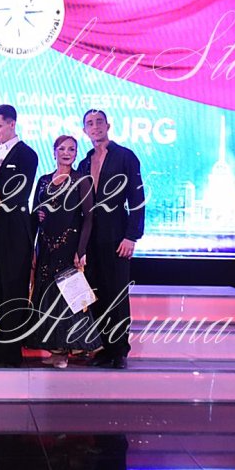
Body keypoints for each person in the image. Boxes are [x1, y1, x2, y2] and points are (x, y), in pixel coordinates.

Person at [77, 110, 145, 370]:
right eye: (89, 124)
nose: (95, 127)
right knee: (96, 293)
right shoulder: (85, 161)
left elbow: (137, 198)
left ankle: (119, 351)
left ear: (108, 125)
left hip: (117, 234)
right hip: (90, 237)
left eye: (99, 122)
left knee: (116, 293)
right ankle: (104, 347)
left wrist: (131, 236)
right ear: (85, 130)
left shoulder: (125, 156)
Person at [26, 135, 101, 368]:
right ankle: (55, 349)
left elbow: (89, 218)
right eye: (62, 149)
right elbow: (36, 213)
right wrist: (33, 245)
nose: (66, 153)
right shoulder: (43, 180)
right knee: (46, 295)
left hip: (69, 247)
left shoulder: (82, 180)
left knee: (68, 296)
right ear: (54, 151)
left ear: (76, 153)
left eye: (71, 149)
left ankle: (66, 350)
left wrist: (81, 250)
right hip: (46, 245)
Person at [0, 104, 39, 367]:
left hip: (15, 230)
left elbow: (16, 192)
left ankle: (11, 354)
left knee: (13, 289)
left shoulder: (27, 155)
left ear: (12, 124)